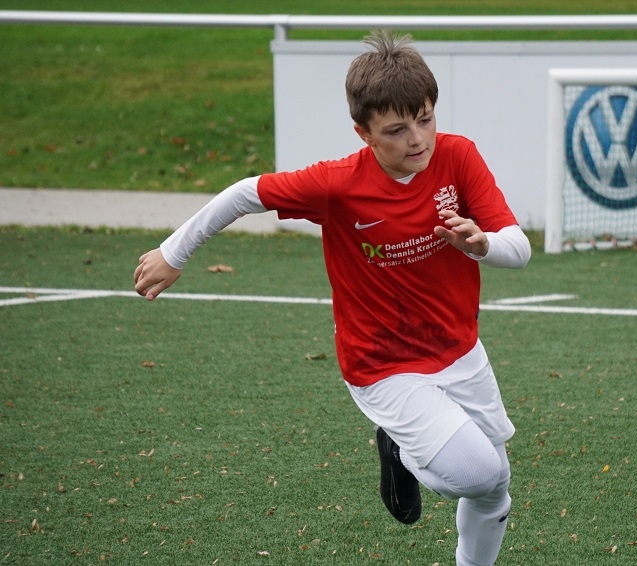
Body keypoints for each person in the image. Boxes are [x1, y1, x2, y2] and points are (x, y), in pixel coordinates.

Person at [133, 29, 530, 566]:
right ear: (364, 133)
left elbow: (518, 249)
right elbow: (245, 193)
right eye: (396, 130)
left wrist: (483, 245)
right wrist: (172, 253)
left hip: (459, 349)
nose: (417, 139)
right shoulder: (338, 184)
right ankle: (403, 452)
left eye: (425, 119)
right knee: (478, 473)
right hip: (382, 365)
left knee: (496, 486)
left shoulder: (458, 157)